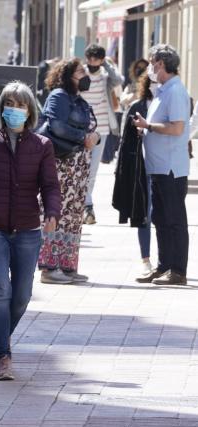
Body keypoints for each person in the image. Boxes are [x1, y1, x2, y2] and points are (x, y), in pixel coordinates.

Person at [0, 82, 61, 380]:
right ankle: (3, 355)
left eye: (20, 104)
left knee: (22, 295)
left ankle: (2, 337)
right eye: (9, 103)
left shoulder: (42, 145)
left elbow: (50, 185)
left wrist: (52, 211)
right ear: (1, 109)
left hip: (27, 229)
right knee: (1, 290)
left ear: (30, 111)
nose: (14, 109)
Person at [37, 58, 100, 284]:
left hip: (78, 170)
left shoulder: (80, 101)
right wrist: (84, 138)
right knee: (56, 214)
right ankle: (49, 267)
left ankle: (67, 265)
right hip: (61, 165)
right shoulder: (59, 97)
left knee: (73, 217)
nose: (85, 75)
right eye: (81, 71)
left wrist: (95, 136)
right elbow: (56, 126)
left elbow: (93, 127)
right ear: (68, 75)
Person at [132, 44, 191, 286]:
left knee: (174, 219)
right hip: (157, 167)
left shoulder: (176, 91)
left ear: (161, 64)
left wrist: (148, 127)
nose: (150, 68)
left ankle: (177, 270)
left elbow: (177, 128)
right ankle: (164, 265)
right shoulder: (163, 90)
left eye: (152, 63)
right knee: (160, 218)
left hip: (170, 168)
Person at [113, 72, 154, 276]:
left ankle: (167, 261)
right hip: (142, 169)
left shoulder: (172, 104)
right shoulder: (137, 107)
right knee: (143, 214)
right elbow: (124, 142)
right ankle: (145, 258)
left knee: (161, 216)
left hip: (167, 169)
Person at [79, 44, 123, 225]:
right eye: (90, 58)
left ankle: (87, 206)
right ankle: (86, 205)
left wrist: (106, 65)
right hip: (81, 129)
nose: (92, 62)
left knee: (93, 171)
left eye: (96, 59)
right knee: (81, 167)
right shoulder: (80, 74)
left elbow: (118, 80)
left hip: (101, 129)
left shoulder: (105, 77)